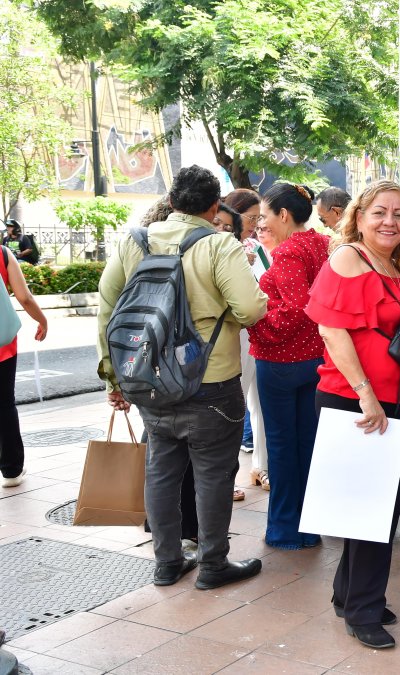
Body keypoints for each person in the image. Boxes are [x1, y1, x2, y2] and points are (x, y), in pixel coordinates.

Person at [97, 165, 267, 589]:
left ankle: (167, 563)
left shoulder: (134, 241)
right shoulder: (219, 245)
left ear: (171, 202)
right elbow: (249, 309)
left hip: (148, 379)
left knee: (160, 469)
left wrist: (113, 378)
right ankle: (212, 566)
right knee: (212, 474)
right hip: (210, 381)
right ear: (214, 208)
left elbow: (106, 310)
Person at [305, 180, 400, 649]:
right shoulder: (348, 257)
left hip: (388, 401)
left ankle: (348, 594)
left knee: (372, 505)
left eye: (399, 214)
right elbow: (332, 330)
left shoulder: (393, 266)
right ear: (359, 215)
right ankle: (363, 611)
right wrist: (366, 394)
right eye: (380, 212)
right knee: (374, 507)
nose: (390, 221)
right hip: (355, 400)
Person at [246, 183, 329, 550]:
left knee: (281, 446)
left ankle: (284, 529)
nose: (261, 223)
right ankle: (308, 527)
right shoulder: (321, 245)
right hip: (315, 359)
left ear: (283, 215)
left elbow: (296, 308)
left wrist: (255, 323)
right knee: (307, 445)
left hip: (282, 360)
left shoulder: (290, 252)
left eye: (264, 215)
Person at [222, 189, 269, 493]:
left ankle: (262, 467)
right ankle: (225, 477)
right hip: (232, 336)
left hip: (260, 334)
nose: (255, 224)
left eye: (258, 218)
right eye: (251, 218)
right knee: (231, 405)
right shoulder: (218, 247)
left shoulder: (256, 246)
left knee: (260, 404)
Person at [1, 246, 48, 488]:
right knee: (4, 404)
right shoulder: (3, 254)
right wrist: (42, 319)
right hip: (2, 346)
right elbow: (24, 297)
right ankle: (11, 470)